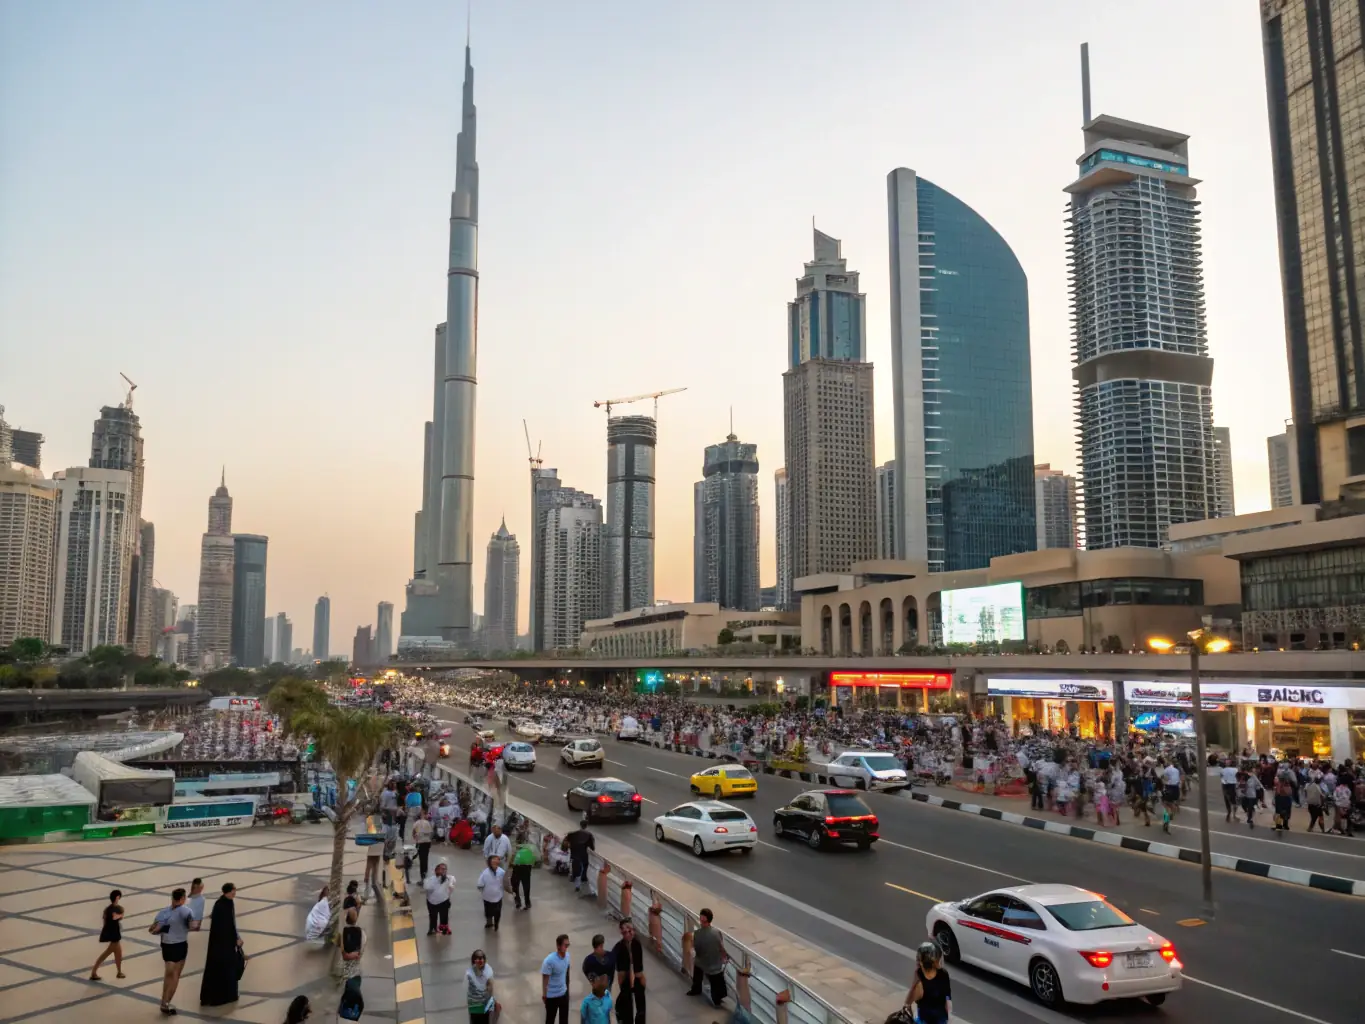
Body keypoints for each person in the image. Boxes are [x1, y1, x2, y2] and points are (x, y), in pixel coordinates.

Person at [149, 886, 200, 1015]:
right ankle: (166, 1002)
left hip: (166, 945)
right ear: (182, 898)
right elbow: (193, 926)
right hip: (180, 944)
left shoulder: (163, 912)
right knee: (176, 974)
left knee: (168, 974)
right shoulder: (186, 911)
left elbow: (152, 930)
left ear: (172, 898)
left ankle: (163, 1000)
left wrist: (164, 928)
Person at [200, 882, 243, 1007]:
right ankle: (223, 997)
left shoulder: (224, 903)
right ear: (228, 892)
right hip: (223, 944)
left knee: (223, 968)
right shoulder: (223, 905)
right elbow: (227, 926)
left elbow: (230, 924)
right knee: (224, 969)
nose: (234, 893)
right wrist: (236, 939)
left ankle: (220, 996)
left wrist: (236, 937)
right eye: (233, 891)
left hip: (223, 943)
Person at [687, 908, 727, 1006]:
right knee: (716, 980)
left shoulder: (697, 934)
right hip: (716, 964)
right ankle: (717, 999)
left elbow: (697, 950)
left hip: (703, 962)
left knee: (697, 965)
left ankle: (696, 989)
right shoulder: (717, 932)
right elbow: (721, 947)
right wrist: (723, 957)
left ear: (701, 920)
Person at [904, 941, 951, 1024]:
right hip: (940, 1019)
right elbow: (947, 999)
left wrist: (906, 1005)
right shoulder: (944, 974)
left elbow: (912, 993)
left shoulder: (919, 974)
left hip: (923, 1019)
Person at [612, 917, 646, 1024]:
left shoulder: (636, 944)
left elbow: (638, 970)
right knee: (628, 1008)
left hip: (635, 978)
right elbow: (620, 972)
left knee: (640, 1008)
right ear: (622, 932)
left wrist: (641, 979)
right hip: (627, 980)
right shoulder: (619, 948)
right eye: (626, 931)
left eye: (631, 930)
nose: (630, 933)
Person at [89, 889, 125, 981]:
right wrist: (120, 916)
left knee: (118, 953)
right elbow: (116, 917)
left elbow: (104, 920)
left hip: (113, 933)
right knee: (108, 953)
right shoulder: (117, 909)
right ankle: (94, 972)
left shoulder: (107, 909)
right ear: (117, 897)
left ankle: (119, 971)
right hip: (114, 934)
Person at [541, 934, 571, 1024]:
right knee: (550, 1020)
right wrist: (544, 995)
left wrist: (567, 990)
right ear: (558, 946)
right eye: (565, 945)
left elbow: (567, 972)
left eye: (568, 945)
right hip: (552, 996)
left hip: (563, 994)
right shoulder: (549, 961)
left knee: (564, 1020)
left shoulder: (568, 956)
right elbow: (545, 979)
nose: (566, 948)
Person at [424, 860, 455, 936]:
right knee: (433, 916)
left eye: (444, 869)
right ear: (436, 870)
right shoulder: (430, 880)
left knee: (444, 916)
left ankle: (444, 928)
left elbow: (452, 879)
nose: (443, 871)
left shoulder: (448, 878)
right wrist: (438, 879)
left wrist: (450, 885)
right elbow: (427, 887)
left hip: (444, 901)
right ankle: (432, 928)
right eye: (441, 869)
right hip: (432, 902)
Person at [465, 949, 495, 1024]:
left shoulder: (488, 972)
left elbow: (490, 989)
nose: (480, 961)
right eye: (477, 958)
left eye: (481, 958)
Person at [566, 817, 595, 894]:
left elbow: (567, 841)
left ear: (580, 825)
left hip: (574, 854)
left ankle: (575, 879)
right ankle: (583, 878)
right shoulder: (589, 835)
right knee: (584, 865)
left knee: (575, 866)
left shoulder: (572, 834)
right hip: (583, 855)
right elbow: (592, 848)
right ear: (586, 826)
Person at [477, 855, 506, 930]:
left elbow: (506, 882)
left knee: (497, 912)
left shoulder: (502, 872)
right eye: (493, 860)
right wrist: (481, 889)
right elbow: (480, 884)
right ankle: (489, 922)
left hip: (498, 896)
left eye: (497, 860)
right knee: (488, 911)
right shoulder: (485, 873)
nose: (495, 862)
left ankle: (496, 924)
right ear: (489, 862)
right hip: (487, 897)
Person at [511, 832, 537, 910]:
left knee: (515, 885)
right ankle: (526, 902)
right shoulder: (529, 847)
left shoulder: (516, 847)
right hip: (525, 868)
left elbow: (512, 858)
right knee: (525, 886)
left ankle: (518, 901)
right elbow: (533, 860)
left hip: (518, 868)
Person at [339, 906, 365, 983]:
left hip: (345, 969)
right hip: (356, 968)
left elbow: (341, 949)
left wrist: (347, 955)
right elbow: (361, 951)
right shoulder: (362, 933)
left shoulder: (342, 932)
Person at [412, 810, 435, 881]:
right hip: (427, 843)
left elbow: (413, 833)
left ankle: (422, 877)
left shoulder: (416, 823)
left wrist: (416, 839)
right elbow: (431, 833)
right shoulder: (428, 822)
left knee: (422, 860)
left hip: (421, 843)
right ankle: (425, 874)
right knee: (426, 859)